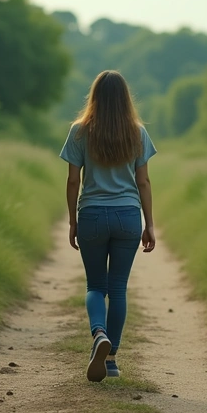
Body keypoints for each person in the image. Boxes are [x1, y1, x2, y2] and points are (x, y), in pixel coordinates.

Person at [59, 70, 157, 382]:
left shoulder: (79, 131)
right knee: (118, 289)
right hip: (128, 215)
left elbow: (73, 180)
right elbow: (143, 181)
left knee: (95, 286)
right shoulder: (137, 133)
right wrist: (150, 224)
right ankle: (111, 359)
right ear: (126, 99)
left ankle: (98, 333)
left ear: (95, 97)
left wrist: (73, 221)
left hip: (92, 215)